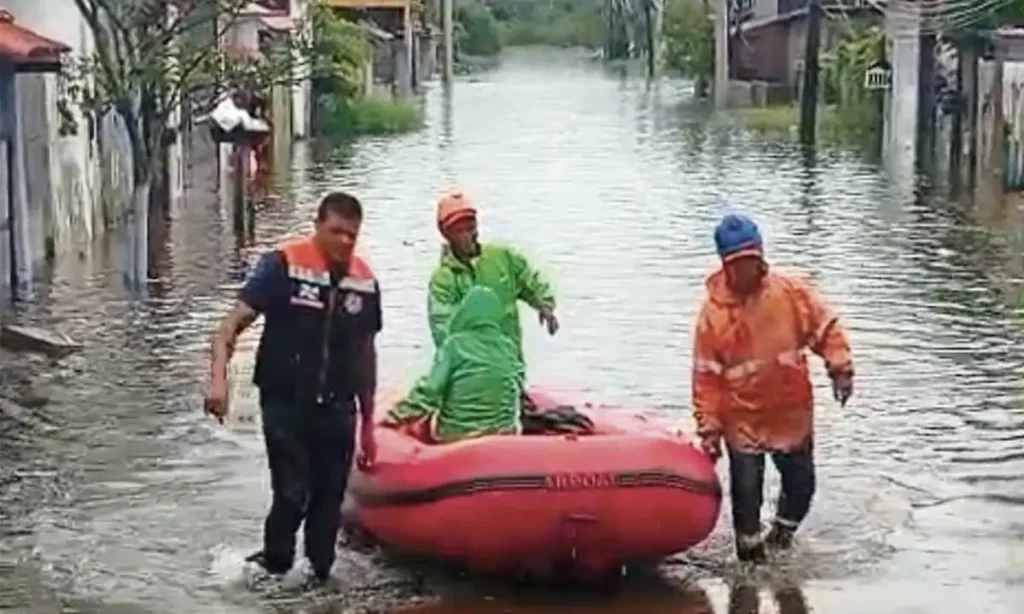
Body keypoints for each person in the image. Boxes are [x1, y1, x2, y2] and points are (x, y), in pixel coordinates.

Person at [203, 192, 381, 583]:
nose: (345, 242)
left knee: (329, 501)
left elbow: (365, 356)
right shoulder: (282, 266)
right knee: (292, 494)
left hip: (337, 406)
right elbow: (228, 327)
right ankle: (272, 569)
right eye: (336, 232)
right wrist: (219, 381)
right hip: (286, 402)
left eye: (352, 234)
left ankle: (320, 579)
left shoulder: (364, 283)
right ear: (318, 226)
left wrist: (368, 425)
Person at [691, 213, 854, 563]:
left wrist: (840, 369)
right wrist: (710, 429)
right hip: (742, 419)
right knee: (746, 494)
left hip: (790, 412)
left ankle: (782, 536)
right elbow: (706, 377)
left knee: (802, 486)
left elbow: (826, 329)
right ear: (725, 266)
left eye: (751, 261)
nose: (746, 271)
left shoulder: (790, 294)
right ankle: (749, 565)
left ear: (761, 257)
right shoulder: (713, 316)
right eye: (737, 264)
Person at [427, 190, 558, 362]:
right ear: (447, 234)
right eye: (459, 230)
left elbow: (528, 279)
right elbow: (442, 329)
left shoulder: (502, 258)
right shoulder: (443, 280)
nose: (467, 235)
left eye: (470, 227)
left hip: (509, 363)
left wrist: (544, 304)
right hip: (468, 370)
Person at [385, 286, 525, 442]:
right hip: (503, 437)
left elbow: (430, 391)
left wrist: (394, 418)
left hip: (456, 437)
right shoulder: (508, 348)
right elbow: (518, 385)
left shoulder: (454, 346)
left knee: (425, 417)